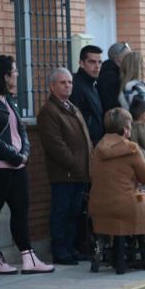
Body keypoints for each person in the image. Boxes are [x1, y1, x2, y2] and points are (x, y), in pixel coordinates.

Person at [0, 55, 54, 275]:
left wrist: (24, 153)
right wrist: (12, 154)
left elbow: (20, 129)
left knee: (21, 211)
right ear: (4, 74)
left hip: (18, 165)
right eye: (14, 71)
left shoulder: (9, 98)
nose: (17, 75)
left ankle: (28, 256)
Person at [89, 108, 145, 273]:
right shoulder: (131, 149)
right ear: (126, 129)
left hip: (98, 207)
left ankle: (118, 255)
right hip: (126, 207)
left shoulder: (98, 147)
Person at [37, 68, 92, 265]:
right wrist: (74, 164)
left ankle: (71, 248)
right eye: (63, 82)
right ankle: (60, 250)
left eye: (69, 82)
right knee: (61, 212)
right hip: (64, 173)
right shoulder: (49, 111)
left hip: (80, 172)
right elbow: (55, 145)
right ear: (52, 86)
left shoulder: (72, 107)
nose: (68, 85)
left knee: (74, 212)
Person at [70, 45, 104, 146]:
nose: (97, 67)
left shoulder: (93, 84)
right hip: (84, 145)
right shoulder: (76, 85)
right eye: (92, 62)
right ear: (81, 63)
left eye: (99, 62)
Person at [98, 42, 131, 113]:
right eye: (128, 56)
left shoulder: (115, 72)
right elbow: (112, 104)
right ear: (119, 58)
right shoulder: (110, 76)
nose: (130, 59)